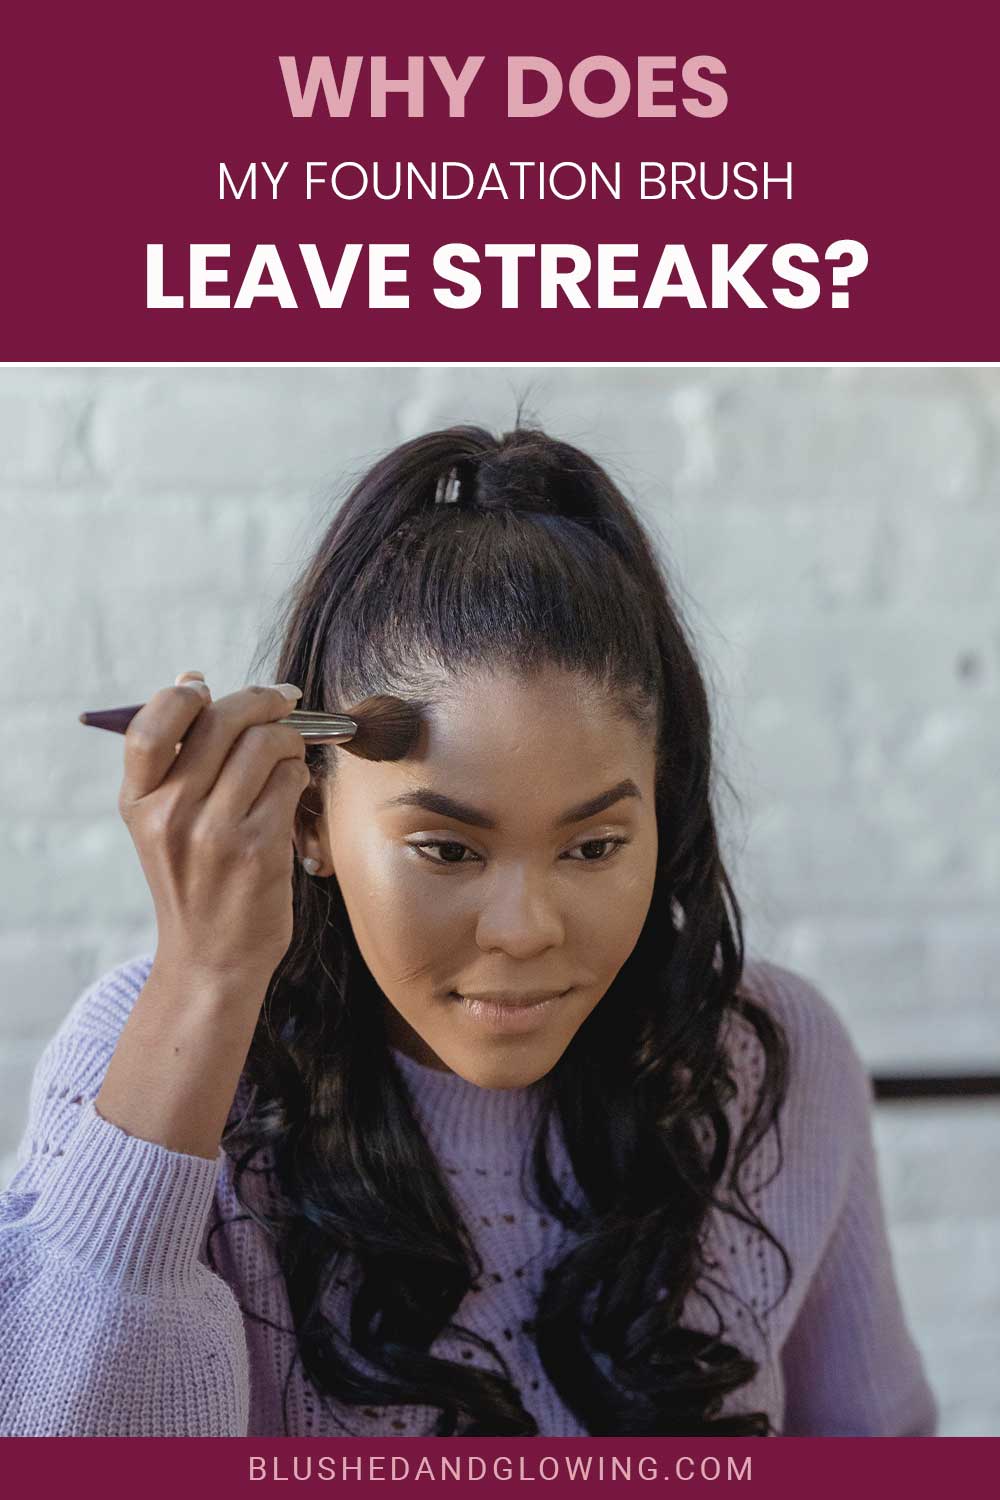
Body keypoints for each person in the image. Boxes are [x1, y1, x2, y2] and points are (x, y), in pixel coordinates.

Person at [0, 424, 937, 1438]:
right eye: (446, 851)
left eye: (592, 847)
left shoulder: (765, 1057)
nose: (526, 930)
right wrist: (204, 984)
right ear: (312, 821)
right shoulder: (145, 1060)